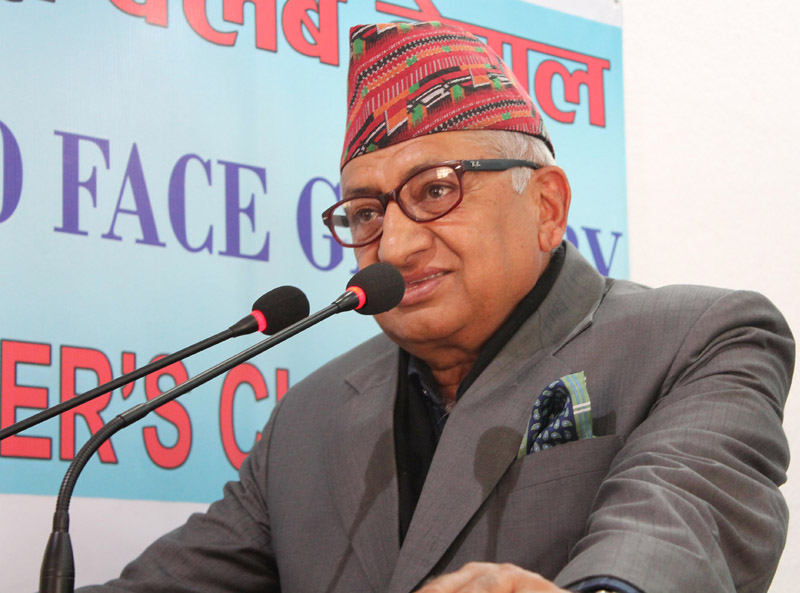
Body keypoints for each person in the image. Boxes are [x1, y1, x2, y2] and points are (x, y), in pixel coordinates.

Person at [80, 21, 793, 593]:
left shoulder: (695, 341)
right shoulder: (309, 417)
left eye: (436, 190)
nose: (393, 243)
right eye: (366, 212)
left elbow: (679, 528)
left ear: (547, 207)